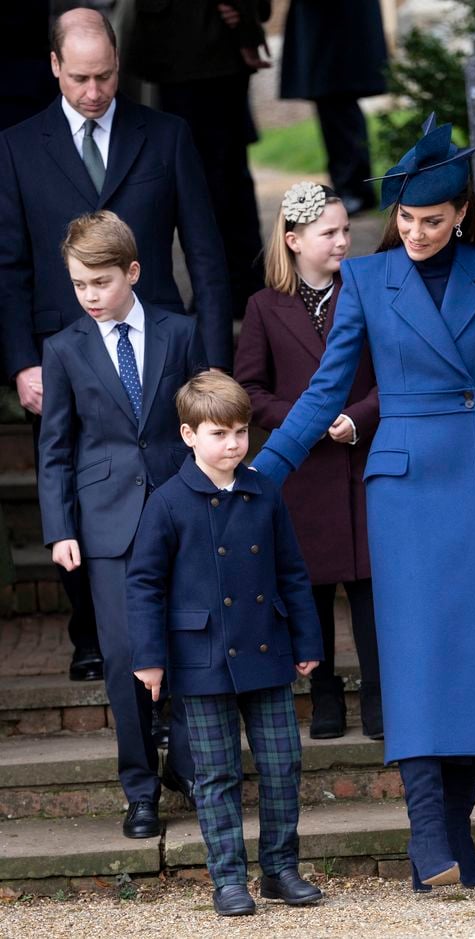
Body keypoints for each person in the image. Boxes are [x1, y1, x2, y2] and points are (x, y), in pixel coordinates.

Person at [251, 114, 475, 891]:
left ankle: (459, 837)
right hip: (401, 489)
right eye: (404, 218)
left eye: (431, 220)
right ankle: (428, 840)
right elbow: (327, 388)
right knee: (419, 661)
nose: (415, 232)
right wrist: (262, 471)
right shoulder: (366, 279)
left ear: (460, 215)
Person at [0, 8, 232, 682]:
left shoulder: (167, 136)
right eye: (79, 79)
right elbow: (8, 266)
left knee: (160, 479)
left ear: (118, 67)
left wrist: (212, 359)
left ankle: (169, 621)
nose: (93, 91)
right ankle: (92, 631)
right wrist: (21, 361)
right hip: (61, 350)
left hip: (161, 352)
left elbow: (207, 256)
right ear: (53, 67)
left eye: (104, 76)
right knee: (76, 477)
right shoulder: (16, 146)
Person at [126, 372, 324, 917]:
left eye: (240, 432)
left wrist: (306, 639)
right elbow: (144, 583)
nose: (233, 444)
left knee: (283, 764)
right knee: (216, 775)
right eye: (219, 434)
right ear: (189, 435)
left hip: (267, 648)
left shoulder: (265, 493)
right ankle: (229, 880)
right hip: (201, 656)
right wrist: (148, 658)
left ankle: (281, 869)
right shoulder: (167, 502)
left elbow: (292, 571)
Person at [37, 210, 206, 837]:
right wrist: (60, 528)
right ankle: (139, 789)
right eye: (79, 286)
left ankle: (188, 767)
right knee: (124, 657)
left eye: (101, 283)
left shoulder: (179, 332)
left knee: (192, 640)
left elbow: (204, 416)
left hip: (179, 509)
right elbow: (55, 446)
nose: (90, 297)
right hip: (105, 525)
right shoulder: (63, 348)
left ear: (132, 272)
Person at [235, 181, 382, 740]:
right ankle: (324, 696)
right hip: (302, 473)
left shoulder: (367, 290)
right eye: (330, 233)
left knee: (370, 588)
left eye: (346, 230)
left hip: (362, 460)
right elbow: (249, 389)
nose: (344, 241)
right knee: (309, 590)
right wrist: (306, 418)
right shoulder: (264, 308)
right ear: (294, 240)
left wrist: (358, 417)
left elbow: (393, 374)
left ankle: (378, 696)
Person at [124, 0, 270, 319]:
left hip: (203, 52)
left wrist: (246, 21)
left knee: (211, 179)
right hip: (186, 50)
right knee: (219, 176)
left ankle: (228, 291)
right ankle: (239, 287)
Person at [280, 0, 388, 215]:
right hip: (328, 29)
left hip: (335, 32)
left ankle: (354, 189)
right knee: (335, 107)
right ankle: (352, 188)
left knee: (339, 107)